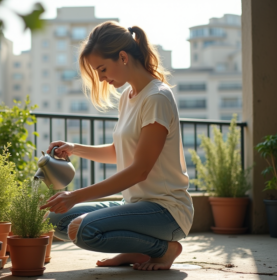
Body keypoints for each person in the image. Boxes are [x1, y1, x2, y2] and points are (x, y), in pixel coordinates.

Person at [40, 21, 194, 271]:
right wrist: (74, 147)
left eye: (102, 68)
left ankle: (164, 249)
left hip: (167, 211)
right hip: (134, 204)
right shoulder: (128, 97)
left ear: (123, 57)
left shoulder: (156, 97)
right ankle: (139, 251)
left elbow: (139, 170)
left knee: (82, 230)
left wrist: (75, 196)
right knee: (56, 219)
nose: (101, 78)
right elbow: (119, 151)